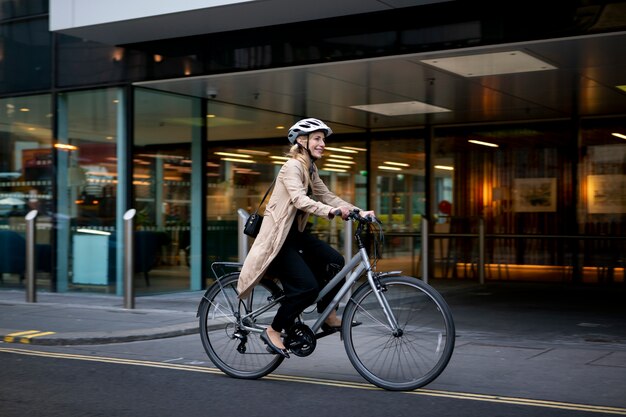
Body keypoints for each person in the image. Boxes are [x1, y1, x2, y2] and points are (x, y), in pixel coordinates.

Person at [237, 118, 375, 358]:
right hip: (277, 240)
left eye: (323, 139)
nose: (323, 144)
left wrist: (357, 211)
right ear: (302, 141)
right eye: (318, 139)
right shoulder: (291, 166)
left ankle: (328, 314)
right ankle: (274, 329)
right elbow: (300, 199)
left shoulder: (310, 168)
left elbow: (327, 195)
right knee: (306, 288)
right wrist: (330, 212)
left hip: (295, 235)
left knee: (335, 261)